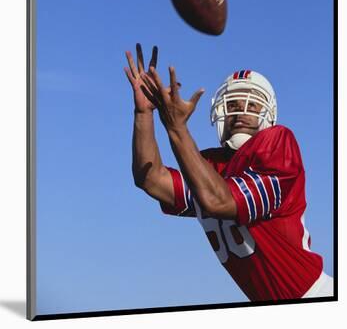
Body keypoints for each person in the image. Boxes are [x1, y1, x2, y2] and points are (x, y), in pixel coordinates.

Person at [124, 43, 333, 302]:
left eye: (253, 104)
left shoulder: (278, 143)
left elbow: (218, 201)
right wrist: (144, 113)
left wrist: (176, 128)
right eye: (233, 104)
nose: (241, 111)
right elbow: (150, 178)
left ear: (269, 112)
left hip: (314, 297)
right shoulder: (208, 165)